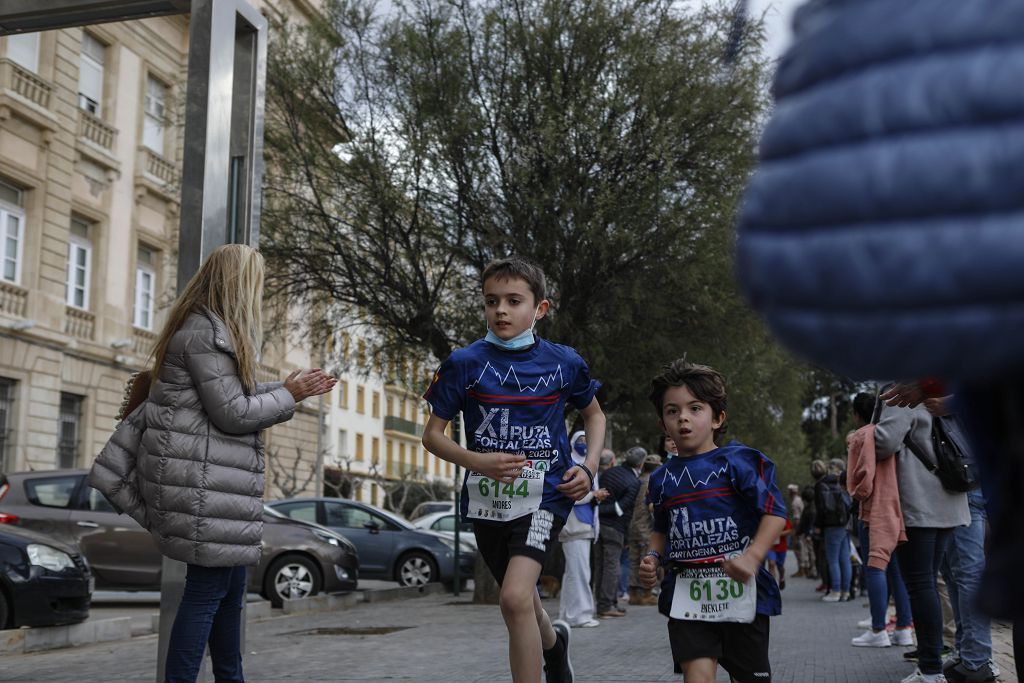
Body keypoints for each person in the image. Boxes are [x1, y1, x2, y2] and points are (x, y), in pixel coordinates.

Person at [91, 244, 336, 683]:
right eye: (255, 283)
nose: (258, 294)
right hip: (203, 486)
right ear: (240, 285)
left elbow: (228, 392)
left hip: (212, 485)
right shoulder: (206, 332)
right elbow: (234, 413)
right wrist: (291, 396)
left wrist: (285, 385)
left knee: (229, 594)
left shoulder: (206, 330)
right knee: (206, 595)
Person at [421, 255, 606, 683]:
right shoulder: (464, 363)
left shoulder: (564, 362)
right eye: (491, 301)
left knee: (514, 597)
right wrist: (476, 461)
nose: (501, 310)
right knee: (520, 602)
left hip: (546, 494)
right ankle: (555, 649)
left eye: (513, 300)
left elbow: (594, 416)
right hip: (488, 501)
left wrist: (589, 465)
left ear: (540, 308)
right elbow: (432, 434)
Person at [639, 360, 786, 683]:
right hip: (688, 595)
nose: (683, 418)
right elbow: (662, 527)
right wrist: (652, 556)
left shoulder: (739, 463)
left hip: (742, 593)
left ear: (718, 418)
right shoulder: (661, 478)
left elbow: (775, 514)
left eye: (695, 408)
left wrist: (752, 557)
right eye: (672, 411)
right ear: (663, 423)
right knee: (698, 676)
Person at [875, 386, 970, 683]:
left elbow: (885, 441)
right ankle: (935, 663)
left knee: (920, 584)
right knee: (933, 581)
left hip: (920, 501)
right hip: (949, 499)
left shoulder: (900, 388)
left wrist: (858, 437)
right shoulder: (939, 383)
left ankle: (930, 669)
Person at [927, 396, 997, 683]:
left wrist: (950, 401)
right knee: (955, 573)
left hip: (965, 480)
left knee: (967, 572)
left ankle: (978, 660)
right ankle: (967, 652)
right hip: (965, 478)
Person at [846, 392, 914, 649]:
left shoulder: (863, 435)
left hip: (874, 509)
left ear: (856, 414)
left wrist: (854, 490)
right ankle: (904, 628)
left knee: (875, 566)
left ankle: (878, 629)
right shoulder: (899, 432)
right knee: (898, 570)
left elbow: (861, 482)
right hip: (900, 505)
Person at [557, 432, 602, 629]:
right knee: (580, 572)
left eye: (587, 440)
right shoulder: (570, 463)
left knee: (574, 572)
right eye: (580, 441)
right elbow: (571, 495)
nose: (584, 444)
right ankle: (580, 615)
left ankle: (568, 614)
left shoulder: (588, 464)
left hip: (584, 525)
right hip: (574, 526)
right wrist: (593, 495)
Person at [594, 446, 643, 618]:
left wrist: (598, 512)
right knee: (612, 566)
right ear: (640, 464)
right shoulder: (634, 482)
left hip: (598, 525)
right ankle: (607, 605)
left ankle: (605, 603)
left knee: (600, 565)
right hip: (615, 527)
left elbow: (600, 497)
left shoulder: (609, 472)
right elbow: (623, 508)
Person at [627, 453, 663, 606]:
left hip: (632, 526)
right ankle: (647, 594)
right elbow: (651, 507)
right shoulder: (650, 482)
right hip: (645, 527)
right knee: (647, 561)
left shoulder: (637, 480)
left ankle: (633, 594)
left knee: (634, 561)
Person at [815, 458, 852, 602]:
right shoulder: (843, 482)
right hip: (844, 525)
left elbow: (820, 509)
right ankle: (846, 591)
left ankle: (835, 591)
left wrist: (818, 526)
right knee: (845, 559)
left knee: (833, 559)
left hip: (831, 526)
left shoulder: (822, 484)